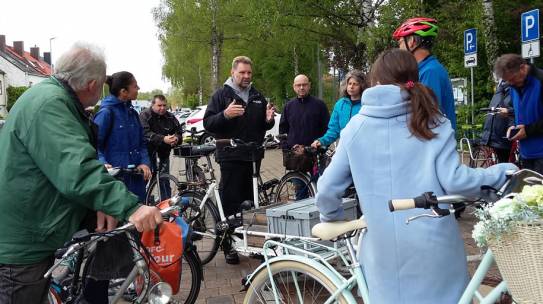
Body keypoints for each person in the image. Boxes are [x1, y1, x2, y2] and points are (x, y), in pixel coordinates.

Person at [315, 49, 517, 304]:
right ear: (414, 77)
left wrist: (332, 218)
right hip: (434, 246)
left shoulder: (355, 127)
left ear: (375, 82)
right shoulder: (432, 121)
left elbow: (327, 188)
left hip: (382, 250)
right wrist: (503, 172)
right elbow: (458, 181)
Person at [0, 43, 162, 304]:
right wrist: (131, 207)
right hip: (22, 245)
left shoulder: (51, 97)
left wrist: (98, 204)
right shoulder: (50, 105)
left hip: (32, 230)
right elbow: (77, 168)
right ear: (92, 84)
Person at [203, 56, 275, 264]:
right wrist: (225, 114)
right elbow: (208, 123)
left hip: (253, 157)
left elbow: (262, 126)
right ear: (232, 72)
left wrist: (268, 121)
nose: (246, 76)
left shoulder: (257, 95)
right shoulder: (221, 95)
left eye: (249, 73)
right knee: (231, 202)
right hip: (231, 157)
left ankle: (252, 243)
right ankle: (229, 246)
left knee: (251, 203)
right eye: (242, 72)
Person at [94, 71, 151, 201]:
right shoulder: (106, 113)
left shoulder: (133, 114)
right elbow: (94, 145)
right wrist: (103, 163)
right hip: (116, 183)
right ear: (123, 91)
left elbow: (142, 143)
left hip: (136, 182)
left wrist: (144, 163)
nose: (138, 89)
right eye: (135, 86)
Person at [393, 17, 457, 130]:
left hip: (436, 144)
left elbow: (427, 117)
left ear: (412, 42)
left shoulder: (430, 72)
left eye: (401, 42)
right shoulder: (421, 70)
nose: (399, 48)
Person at [279, 74, 329, 199]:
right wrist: (286, 147)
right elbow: (283, 130)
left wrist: (323, 146)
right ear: (294, 87)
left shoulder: (320, 105)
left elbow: (328, 129)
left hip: (316, 154)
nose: (301, 87)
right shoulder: (288, 106)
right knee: (300, 191)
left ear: (309, 85)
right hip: (297, 156)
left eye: (304, 84)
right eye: (298, 85)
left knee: (320, 189)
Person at [494, 53, 543, 174]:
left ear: (522, 68)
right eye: (507, 81)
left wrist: (527, 130)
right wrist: (512, 124)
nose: (511, 83)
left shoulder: (540, 81)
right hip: (526, 154)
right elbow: (517, 110)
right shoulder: (514, 86)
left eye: (512, 79)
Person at [139, 94, 183, 199]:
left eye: (164, 105)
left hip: (163, 153)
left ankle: (166, 204)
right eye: (159, 105)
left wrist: (176, 139)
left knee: (164, 179)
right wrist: (163, 139)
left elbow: (179, 132)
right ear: (152, 105)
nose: (162, 108)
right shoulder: (144, 115)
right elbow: (145, 133)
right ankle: (142, 201)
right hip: (147, 154)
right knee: (144, 178)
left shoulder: (170, 116)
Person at [311, 69, 367, 148]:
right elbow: (334, 130)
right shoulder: (340, 104)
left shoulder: (367, 105)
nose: (351, 86)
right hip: (343, 148)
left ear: (362, 86)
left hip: (363, 148)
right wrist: (321, 141)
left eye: (355, 84)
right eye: (349, 83)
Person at [481, 80, 514, 163]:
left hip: (501, 132)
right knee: (503, 162)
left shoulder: (504, 89)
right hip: (499, 133)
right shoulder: (503, 89)